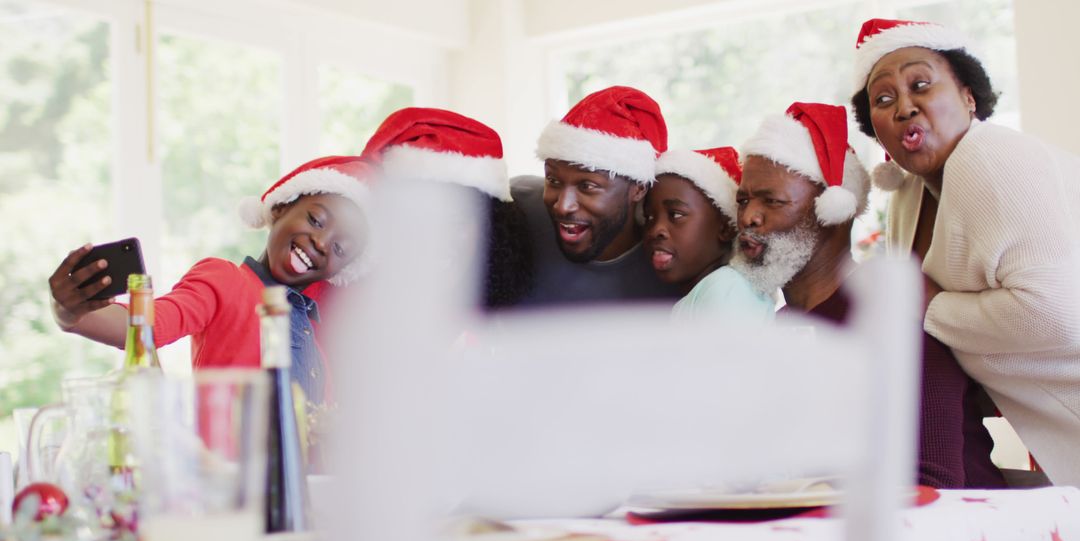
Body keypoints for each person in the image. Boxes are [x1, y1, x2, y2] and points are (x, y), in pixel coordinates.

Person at [850, 18, 1080, 486]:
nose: (905, 108)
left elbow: (1057, 315)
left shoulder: (988, 157)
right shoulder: (907, 198)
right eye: (884, 99)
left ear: (969, 97)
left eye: (920, 85)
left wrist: (931, 305)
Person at [734, 101, 1003, 488]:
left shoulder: (892, 318)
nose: (748, 218)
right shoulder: (777, 326)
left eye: (771, 201)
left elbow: (929, 485)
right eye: (743, 200)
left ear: (836, 211)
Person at [49, 156, 372, 404]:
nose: (321, 243)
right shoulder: (225, 280)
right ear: (281, 208)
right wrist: (69, 311)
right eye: (316, 220)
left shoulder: (316, 332)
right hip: (230, 482)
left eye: (340, 248)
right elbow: (145, 327)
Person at [513, 85, 681, 305]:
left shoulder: (674, 257)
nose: (563, 206)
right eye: (553, 181)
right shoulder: (518, 209)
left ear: (638, 188)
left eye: (587, 186)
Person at [355, 106, 533, 310]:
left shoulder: (504, 326)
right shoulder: (343, 319)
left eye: (456, 221)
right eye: (419, 219)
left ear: (490, 230)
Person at [644, 146, 773, 321]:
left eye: (676, 214)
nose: (655, 230)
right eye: (649, 217)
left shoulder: (727, 289)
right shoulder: (708, 290)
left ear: (725, 227)